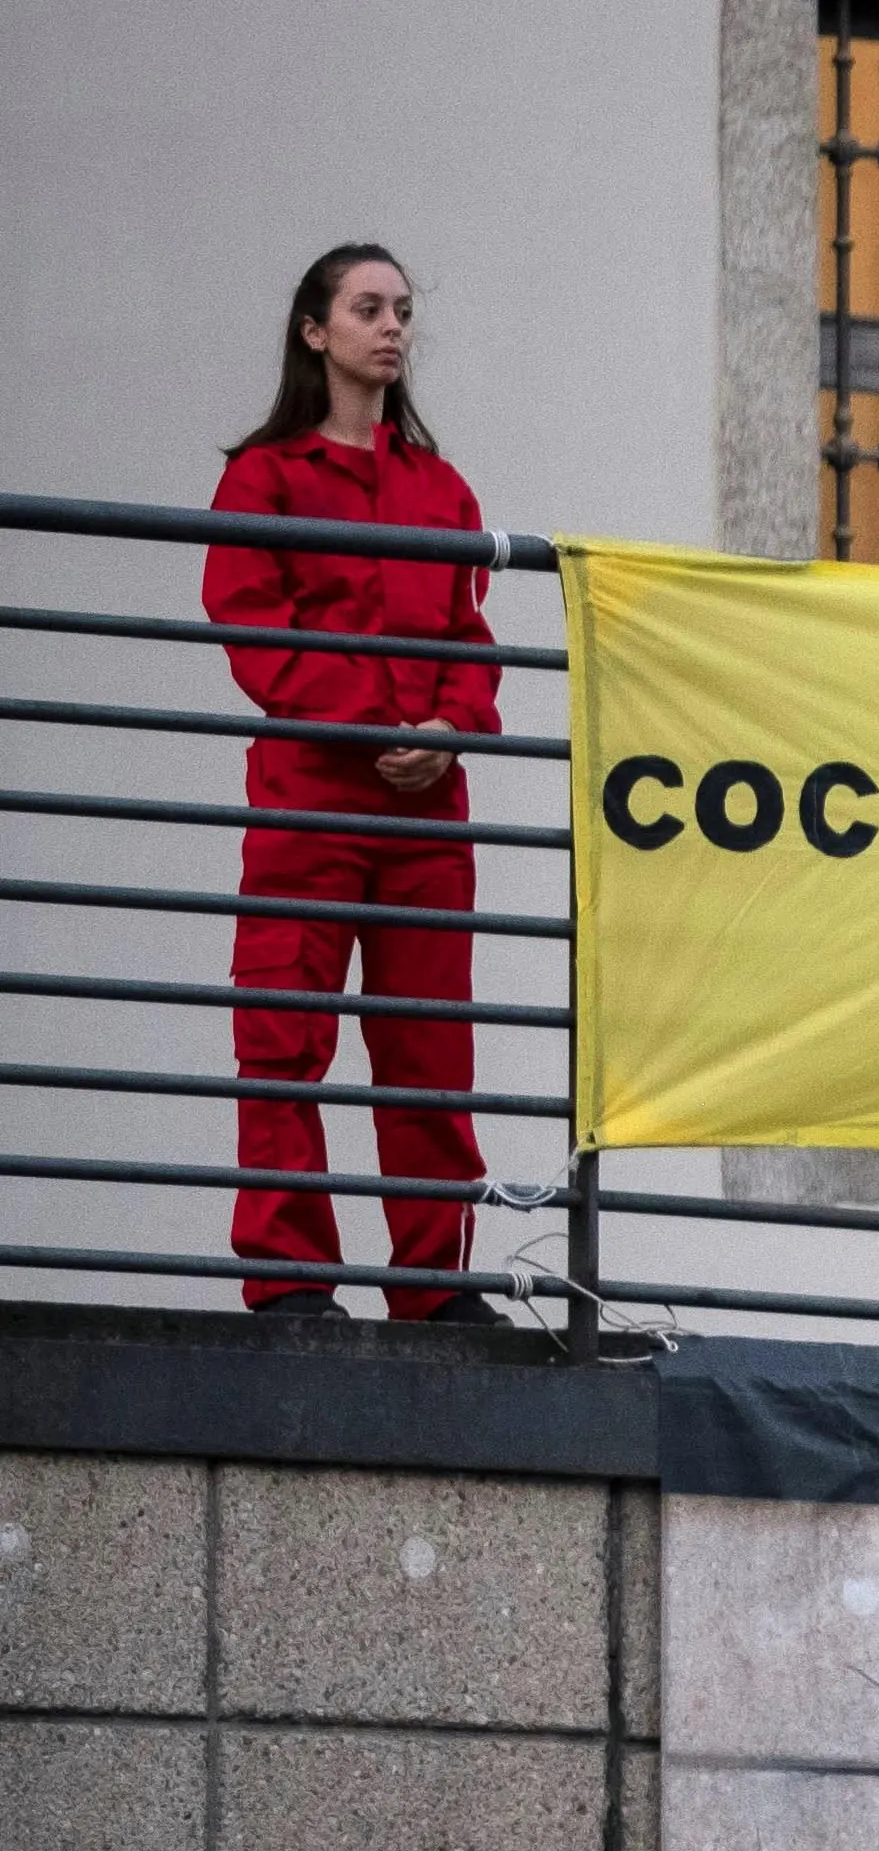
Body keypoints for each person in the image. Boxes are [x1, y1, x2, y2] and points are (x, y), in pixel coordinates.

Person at [203, 241, 504, 1321]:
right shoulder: (264, 478)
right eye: (368, 308)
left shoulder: (443, 487)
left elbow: (475, 640)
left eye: (403, 311)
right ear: (314, 330)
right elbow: (251, 627)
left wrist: (452, 727)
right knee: (283, 1035)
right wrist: (382, 720)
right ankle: (288, 1278)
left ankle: (437, 1282)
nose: (392, 327)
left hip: (425, 811)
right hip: (312, 802)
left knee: (429, 1045)